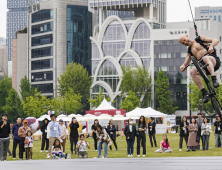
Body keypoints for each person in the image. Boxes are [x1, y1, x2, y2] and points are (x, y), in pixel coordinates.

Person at [179, 35, 220, 103]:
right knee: (192, 72)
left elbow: (216, 40)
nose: (185, 42)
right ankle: (205, 93)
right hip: (205, 68)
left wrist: (211, 46)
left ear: (187, 36)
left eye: (184, 40)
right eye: (183, 43)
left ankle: (214, 79)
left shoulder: (199, 39)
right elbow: (186, 62)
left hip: (213, 61)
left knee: (205, 58)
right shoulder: (189, 51)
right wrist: (182, 66)